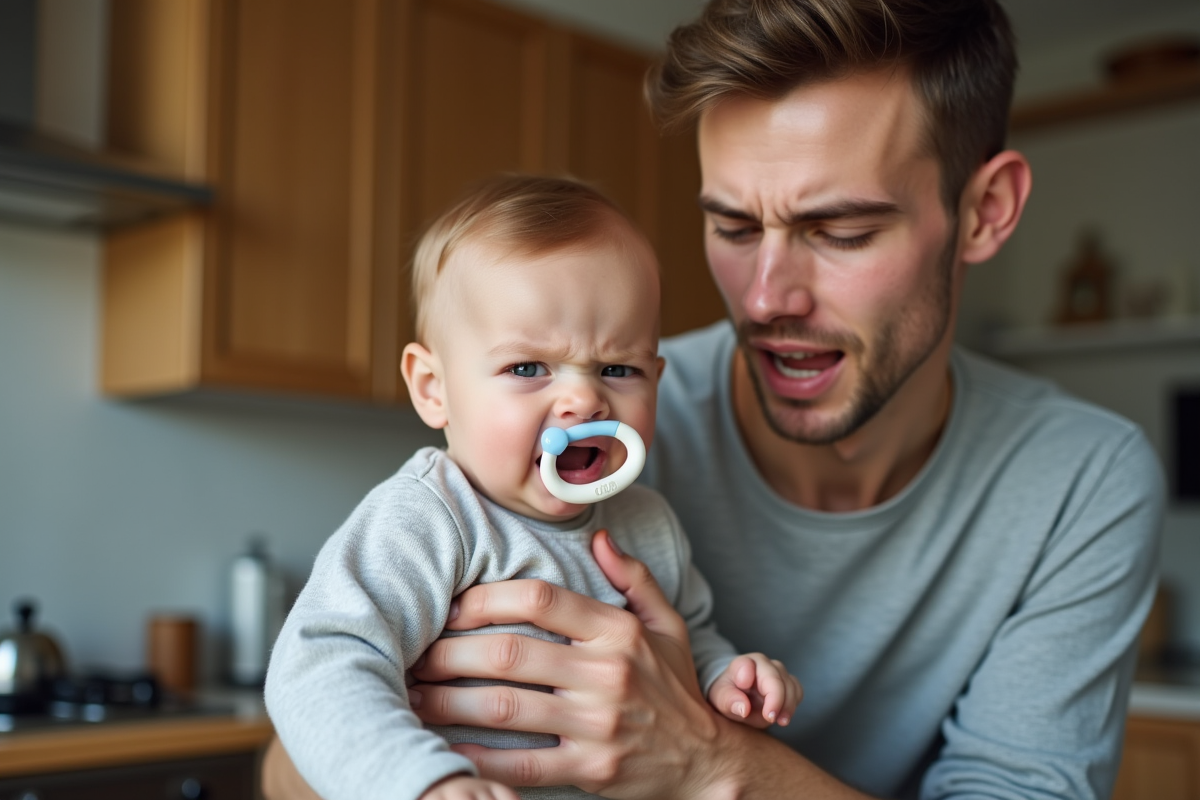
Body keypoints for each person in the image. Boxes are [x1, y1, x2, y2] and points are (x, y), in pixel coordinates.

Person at [263, 1, 1164, 798]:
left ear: (986, 210)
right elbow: (298, 737)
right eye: (733, 226)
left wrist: (714, 756)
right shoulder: (467, 497)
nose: (767, 296)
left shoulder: (1083, 480)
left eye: (840, 230)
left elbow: (695, 648)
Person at [263, 175, 802, 800]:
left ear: (656, 379)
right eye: (527, 368)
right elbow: (322, 661)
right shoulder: (431, 518)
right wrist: (422, 783)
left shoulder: (648, 522)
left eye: (618, 368)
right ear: (433, 387)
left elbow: (686, 640)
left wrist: (725, 676)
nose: (582, 398)